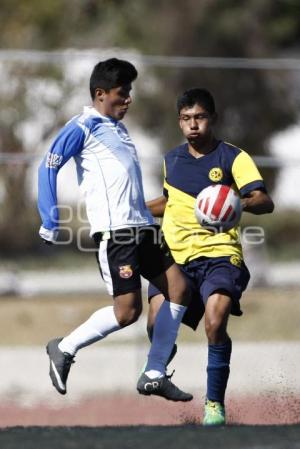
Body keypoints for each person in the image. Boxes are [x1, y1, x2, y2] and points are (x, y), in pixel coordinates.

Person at [37, 58, 193, 402]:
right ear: (100, 94)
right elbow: (48, 165)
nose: (129, 99)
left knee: (179, 287)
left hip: (142, 228)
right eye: (123, 93)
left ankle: (153, 372)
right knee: (127, 312)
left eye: (130, 92)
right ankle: (63, 348)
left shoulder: (120, 130)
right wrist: (50, 218)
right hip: (116, 234)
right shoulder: (83, 126)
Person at [145, 88, 274, 425]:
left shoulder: (233, 157)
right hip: (176, 259)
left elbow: (263, 200)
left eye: (200, 117)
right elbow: (169, 201)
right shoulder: (170, 160)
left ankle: (214, 404)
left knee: (216, 322)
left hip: (219, 255)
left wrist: (235, 203)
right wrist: (137, 210)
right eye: (186, 119)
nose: (193, 125)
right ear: (179, 122)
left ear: (212, 119)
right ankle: (160, 366)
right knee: (156, 325)